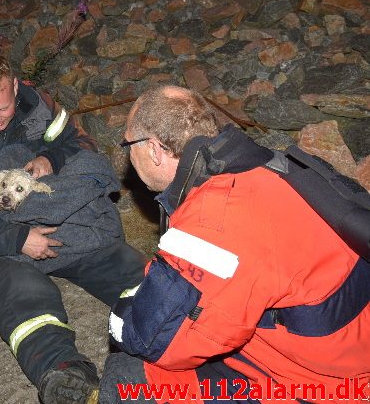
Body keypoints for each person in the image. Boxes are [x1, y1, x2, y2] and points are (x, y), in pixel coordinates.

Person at [102, 85, 369, 404]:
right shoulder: (269, 166)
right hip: (348, 347)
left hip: (326, 384)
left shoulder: (216, 218)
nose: (127, 154)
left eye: (128, 143)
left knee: (129, 375)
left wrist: (122, 313)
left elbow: (155, 339)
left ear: (155, 150)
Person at [0, 54, 145, 404]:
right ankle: (64, 373)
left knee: (122, 264)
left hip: (48, 218)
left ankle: (185, 323)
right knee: (24, 289)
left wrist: (51, 159)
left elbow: (81, 143)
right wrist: (19, 239)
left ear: (15, 87)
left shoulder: (37, 104)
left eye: (4, 108)